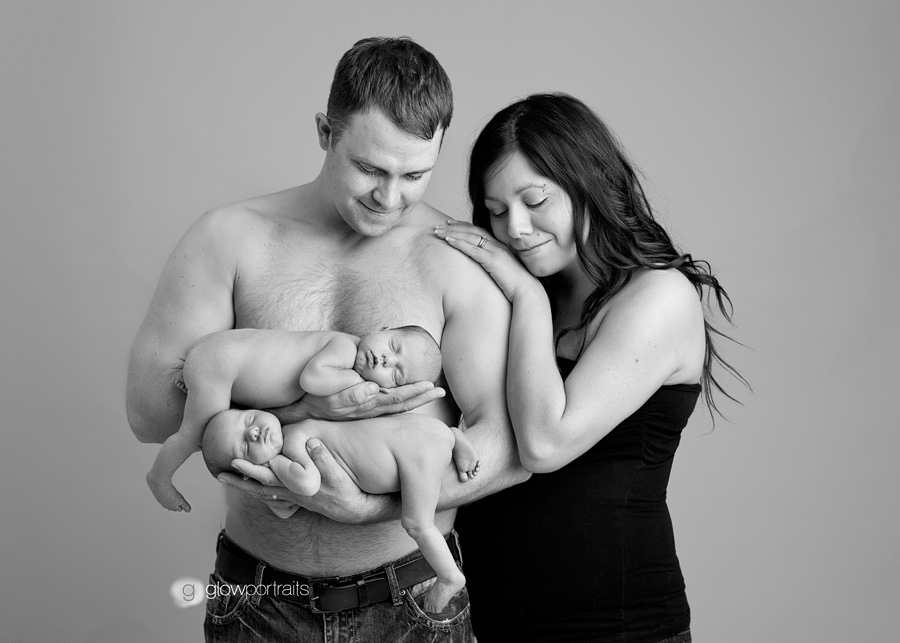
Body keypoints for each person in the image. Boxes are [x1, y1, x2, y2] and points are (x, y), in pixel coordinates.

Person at [126, 37, 526, 642]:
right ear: (324, 132)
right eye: (370, 169)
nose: (389, 198)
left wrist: (370, 510)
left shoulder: (459, 260)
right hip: (258, 599)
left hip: (412, 600)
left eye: (415, 175)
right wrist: (303, 405)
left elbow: (504, 442)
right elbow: (147, 416)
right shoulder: (230, 239)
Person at [435, 93, 746, 642]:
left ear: (589, 182)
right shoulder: (524, 291)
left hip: (616, 628)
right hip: (487, 624)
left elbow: (544, 444)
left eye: (535, 200)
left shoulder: (658, 296)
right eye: (497, 211)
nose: (515, 229)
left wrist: (527, 298)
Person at [146, 325, 474, 514]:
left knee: (234, 439)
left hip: (221, 358)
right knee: (194, 435)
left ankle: (193, 379)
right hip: (221, 363)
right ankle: (159, 479)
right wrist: (362, 384)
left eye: (397, 373)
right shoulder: (344, 348)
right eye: (393, 345)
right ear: (382, 328)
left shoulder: (346, 356)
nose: (387, 359)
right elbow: (312, 381)